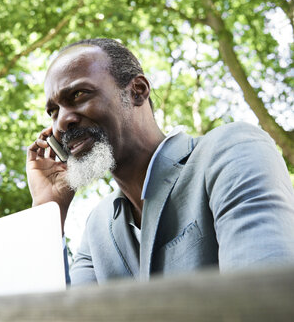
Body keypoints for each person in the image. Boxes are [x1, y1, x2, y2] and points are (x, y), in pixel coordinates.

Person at [26, 38, 294, 286]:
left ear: (138, 91)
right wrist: (48, 210)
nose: (62, 122)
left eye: (78, 95)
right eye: (53, 111)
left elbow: (265, 295)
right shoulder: (97, 228)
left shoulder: (231, 150)